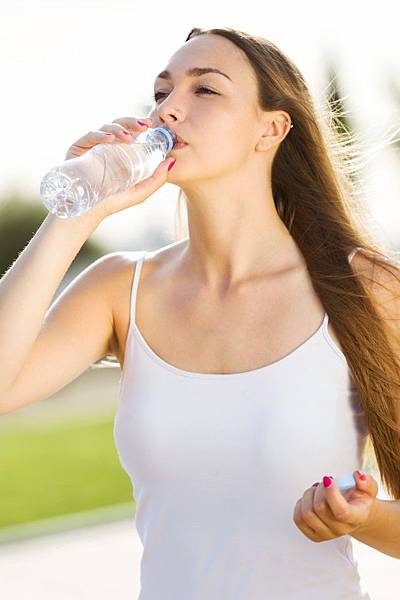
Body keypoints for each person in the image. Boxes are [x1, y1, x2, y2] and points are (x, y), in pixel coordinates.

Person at [1, 26, 400, 599]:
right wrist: (76, 212)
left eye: (204, 90)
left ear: (272, 128)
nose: (169, 110)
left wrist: (362, 518)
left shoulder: (365, 288)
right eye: (162, 92)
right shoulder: (121, 288)